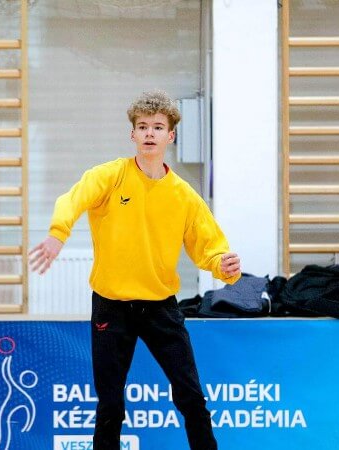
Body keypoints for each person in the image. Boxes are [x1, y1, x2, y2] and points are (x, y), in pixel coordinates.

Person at [29, 90, 241, 450]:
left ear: (170, 135)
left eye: (157, 127)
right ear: (133, 134)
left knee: (191, 396)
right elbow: (72, 199)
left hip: (161, 308)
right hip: (111, 307)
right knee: (110, 404)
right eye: (142, 126)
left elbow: (210, 246)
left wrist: (224, 266)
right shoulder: (110, 176)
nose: (149, 133)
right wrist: (57, 234)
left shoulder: (184, 196)